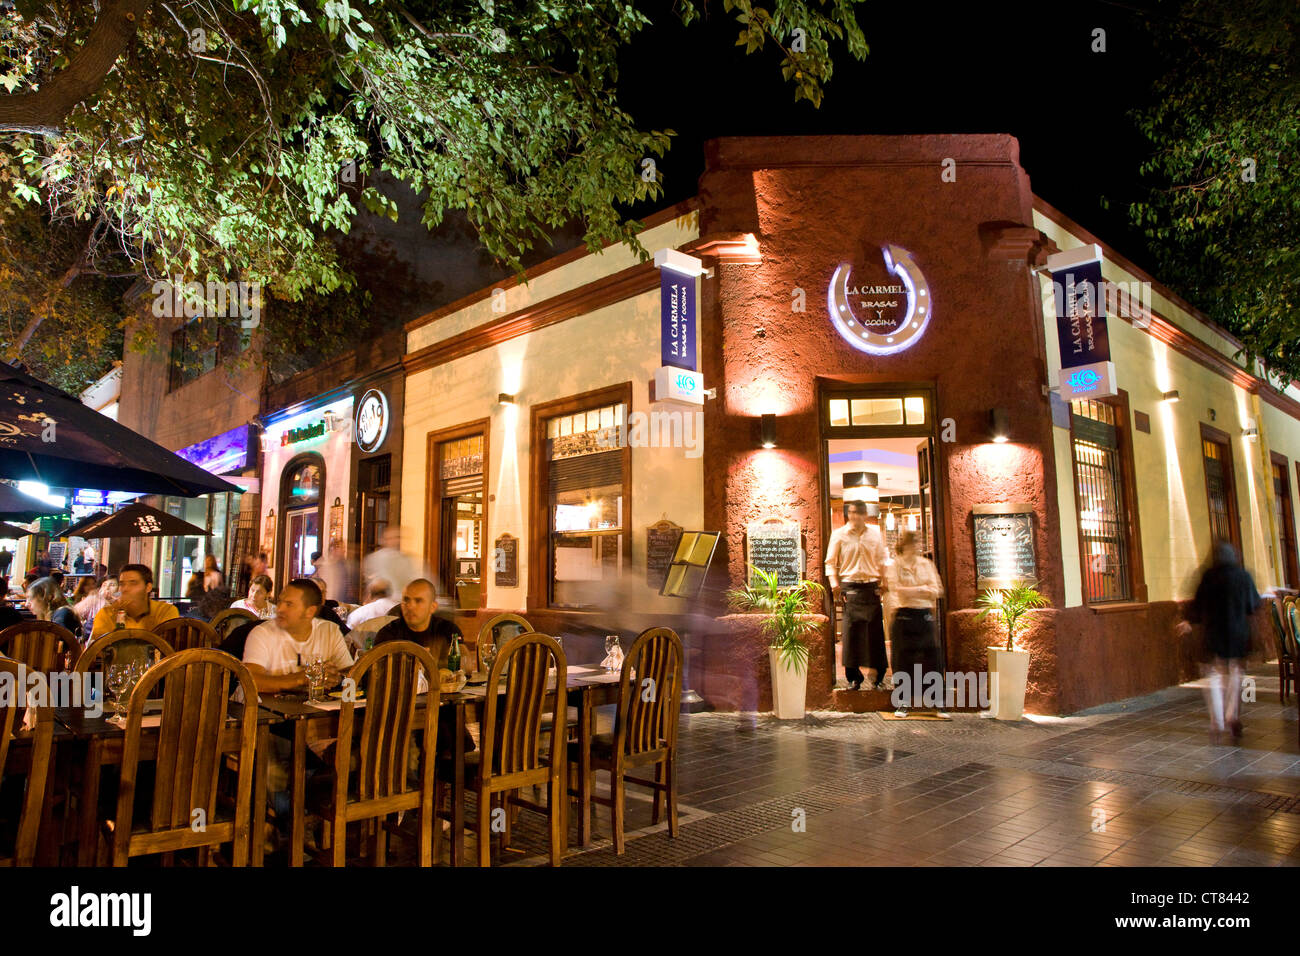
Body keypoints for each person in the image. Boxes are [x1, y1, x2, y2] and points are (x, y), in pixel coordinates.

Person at [373, 578, 471, 755]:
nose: (410, 606)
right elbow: (375, 674)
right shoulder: (389, 634)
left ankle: (448, 772)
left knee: (448, 719)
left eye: (418, 601)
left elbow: (467, 666)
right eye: (406, 600)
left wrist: (440, 664)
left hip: (442, 707)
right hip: (399, 711)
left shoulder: (446, 629)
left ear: (432, 607)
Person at [1179, 542, 1261, 742]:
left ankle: (1217, 721)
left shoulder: (1209, 577)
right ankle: (1231, 714)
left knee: (1214, 675)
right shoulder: (1243, 576)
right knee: (1234, 672)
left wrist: (1188, 621)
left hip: (1214, 633)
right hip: (1237, 633)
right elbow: (1253, 605)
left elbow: (1198, 605)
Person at [242, 578, 353, 695]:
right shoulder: (262, 633)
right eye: (280, 601)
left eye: (289, 604)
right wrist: (300, 678)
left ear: (310, 611)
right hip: (266, 710)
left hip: (317, 709)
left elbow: (349, 673)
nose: (279, 609)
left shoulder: (329, 631)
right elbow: (250, 680)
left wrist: (336, 678)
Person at [825, 500, 891, 690]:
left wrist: (884, 581)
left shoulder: (875, 534)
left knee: (875, 633)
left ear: (865, 515)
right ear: (848, 514)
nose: (855, 516)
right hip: (850, 586)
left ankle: (878, 677)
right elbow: (830, 561)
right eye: (852, 512)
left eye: (859, 513)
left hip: (871, 586)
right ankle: (854, 678)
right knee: (851, 633)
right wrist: (834, 584)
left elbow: (881, 559)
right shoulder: (839, 535)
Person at [884, 531, 946, 717]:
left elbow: (937, 590)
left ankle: (937, 703)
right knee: (902, 660)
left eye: (916, 543)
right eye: (911, 543)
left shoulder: (926, 564)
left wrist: (913, 590)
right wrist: (923, 589)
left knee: (932, 658)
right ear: (904, 545)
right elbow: (896, 590)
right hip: (904, 615)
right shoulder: (895, 565)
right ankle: (902, 702)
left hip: (925, 615)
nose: (915, 547)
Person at [89, 564, 179, 639]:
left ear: (148, 587)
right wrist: (118, 615)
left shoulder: (164, 611)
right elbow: (99, 650)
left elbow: (167, 646)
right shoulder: (106, 614)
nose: (125, 589)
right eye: (122, 584)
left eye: (133, 583)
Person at [362, 528, 419, 597]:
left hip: (404, 599)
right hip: (383, 599)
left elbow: (415, 578)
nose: (395, 541)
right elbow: (374, 583)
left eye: (398, 537)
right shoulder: (375, 558)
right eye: (391, 538)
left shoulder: (407, 559)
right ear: (384, 540)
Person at [26, 576, 81, 640]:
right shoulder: (58, 614)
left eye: (30, 598)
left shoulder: (62, 614)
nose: (26, 604)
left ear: (46, 597)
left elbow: (57, 645)